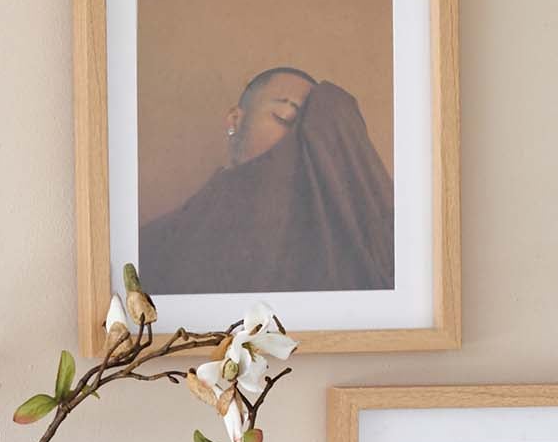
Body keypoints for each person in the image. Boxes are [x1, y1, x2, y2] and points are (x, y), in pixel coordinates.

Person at [138, 65, 395, 294]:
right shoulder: (154, 246)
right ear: (236, 120)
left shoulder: (338, 252)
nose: (297, 140)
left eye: (311, 133)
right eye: (284, 118)